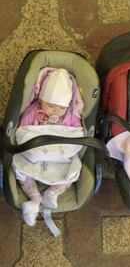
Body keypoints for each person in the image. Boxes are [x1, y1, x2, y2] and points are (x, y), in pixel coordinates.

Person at [12, 68, 85, 226]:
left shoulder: (71, 114)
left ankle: (53, 192)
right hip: (36, 152)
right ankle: (34, 199)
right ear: (41, 99)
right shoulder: (34, 110)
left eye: (62, 108)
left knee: (71, 172)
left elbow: (77, 133)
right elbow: (23, 129)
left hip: (61, 156)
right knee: (22, 168)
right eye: (51, 105)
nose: (57, 111)